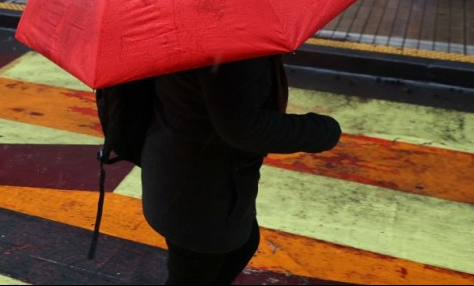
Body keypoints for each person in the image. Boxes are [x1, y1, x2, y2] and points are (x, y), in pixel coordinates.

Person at [140, 55, 342, 285]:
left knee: (235, 249)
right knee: (196, 271)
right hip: (200, 189)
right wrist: (324, 131)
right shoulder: (228, 48)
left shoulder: (194, 32)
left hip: (181, 167)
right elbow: (243, 128)